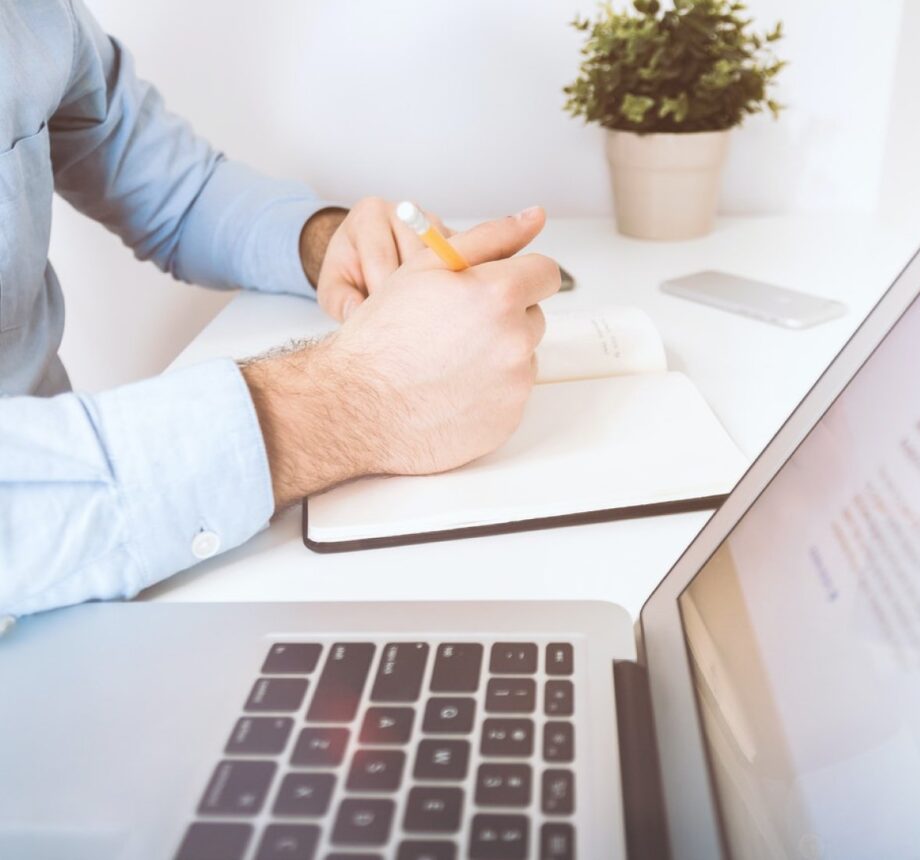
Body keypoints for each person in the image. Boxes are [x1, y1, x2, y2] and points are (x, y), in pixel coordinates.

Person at [0, 0, 559, 617]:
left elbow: (175, 191)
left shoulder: (37, 15)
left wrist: (325, 243)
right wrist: (356, 399)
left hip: (91, 597)